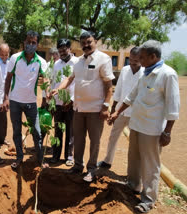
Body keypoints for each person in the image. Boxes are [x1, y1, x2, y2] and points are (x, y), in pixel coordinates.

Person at [108, 40, 180, 213]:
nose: (139, 60)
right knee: (133, 157)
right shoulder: (145, 73)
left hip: (152, 129)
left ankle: (147, 200)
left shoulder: (167, 74)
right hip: (137, 125)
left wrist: (167, 132)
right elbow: (131, 97)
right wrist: (117, 112)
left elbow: (173, 106)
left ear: (153, 56)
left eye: (142, 57)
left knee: (150, 164)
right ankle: (132, 185)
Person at [50, 31, 114, 182]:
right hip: (78, 108)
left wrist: (105, 106)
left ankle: (91, 169)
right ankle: (77, 166)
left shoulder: (103, 59)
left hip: (95, 109)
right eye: (83, 43)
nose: (86, 45)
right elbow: (70, 78)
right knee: (78, 139)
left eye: (89, 42)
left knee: (95, 140)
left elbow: (108, 85)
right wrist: (59, 89)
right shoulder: (78, 61)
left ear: (95, 41)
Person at [2, 30, 48, 169]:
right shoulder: (15, 58)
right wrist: (6, 98)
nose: (30, 44)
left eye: (34, 42)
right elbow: (8, 78)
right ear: (24, 42)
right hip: (15, 101)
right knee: (16, 131)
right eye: (28, 41)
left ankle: (40, 159)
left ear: (37, 45)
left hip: (31, 102)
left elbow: (45, 80)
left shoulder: (41, 62)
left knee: (37, 132)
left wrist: (47, 96)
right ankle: (19, 157)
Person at [98, 47, 144, 169]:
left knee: (135, 144)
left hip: (135, 114)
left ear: (141, 59)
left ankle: (133, 170)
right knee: (113, 137)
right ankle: (107, 161)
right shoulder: (124, 70)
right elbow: (118, 90)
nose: (133, 62)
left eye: (136, 60)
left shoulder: (145, 73)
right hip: (120, 112)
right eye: (131, 59)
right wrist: (113, 109)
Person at [44, 38, 78, 166]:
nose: (62, 53)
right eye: (60, 51)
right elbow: (49, 79)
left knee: (70, 131)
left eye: (64, 50)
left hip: (71, 103)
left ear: (70, 49)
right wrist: (48, 91)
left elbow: (79, 84)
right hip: (57, 103)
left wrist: (71, 100)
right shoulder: (56, 64)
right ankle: (55, 155)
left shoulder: (77, 63)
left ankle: (69, 156)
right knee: (58, 130)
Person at [0, 43, 11, 146]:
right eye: (2, 54)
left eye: (6, 54)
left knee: (4, 119)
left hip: (8, 96)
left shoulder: (11, 64)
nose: (4, 57)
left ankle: (2, 138)